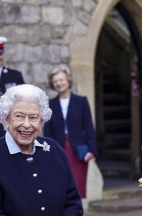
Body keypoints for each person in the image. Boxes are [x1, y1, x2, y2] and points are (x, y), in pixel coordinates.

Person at [0, 84, 83, 216]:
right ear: (7, 119)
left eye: (33, 117)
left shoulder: (55, 150)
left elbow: (73, 204)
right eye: (19, 116)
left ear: (41, 122)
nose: (26, 124)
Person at [44, 66, 98, 198]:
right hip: (58, 149)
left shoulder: (81, 101)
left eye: (61, 80)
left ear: (68, 81)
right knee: (61, 187)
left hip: (79, 150)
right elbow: (48, 131)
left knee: (78, 187)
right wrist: (49, 151)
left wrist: (92, 150)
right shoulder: (50, 104)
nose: (59, 83)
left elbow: (89, 127)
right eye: (55, 81)